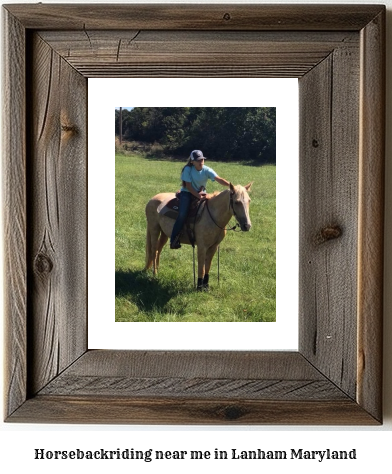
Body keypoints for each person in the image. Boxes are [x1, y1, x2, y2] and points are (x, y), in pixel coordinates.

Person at [170, 150, 230, 249]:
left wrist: (231, 186)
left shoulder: (206, 170)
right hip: (187, 193)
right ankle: (174, 239)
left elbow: (219, 179)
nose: (201, 162)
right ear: (192, 162)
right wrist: (199, 196)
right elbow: (188, 187)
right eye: (198, 160)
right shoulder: (187, 169)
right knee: (182, 214)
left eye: (202, 159)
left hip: (202, 193)